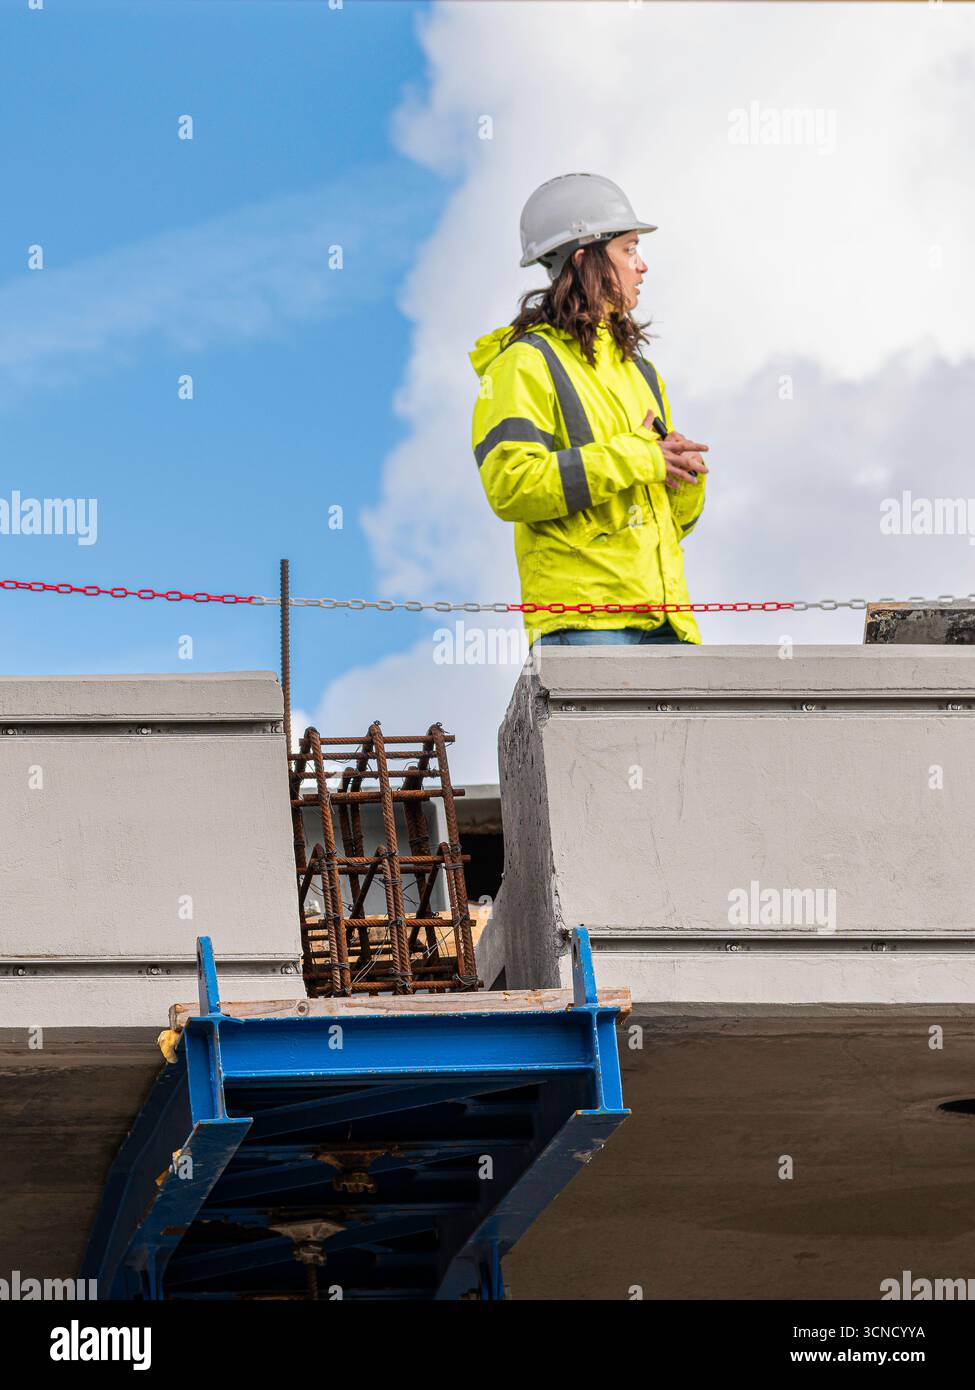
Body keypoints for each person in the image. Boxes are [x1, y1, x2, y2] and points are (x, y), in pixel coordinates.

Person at [469, 172, 709, 647]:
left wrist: (684, 477)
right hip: (585, 626)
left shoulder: (639, 371)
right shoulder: (523, 364)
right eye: (630, 250)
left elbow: (669, 519)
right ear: (585, 260)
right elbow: (512, 487)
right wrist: (640, 458)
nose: (642, 267)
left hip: (666, 624)